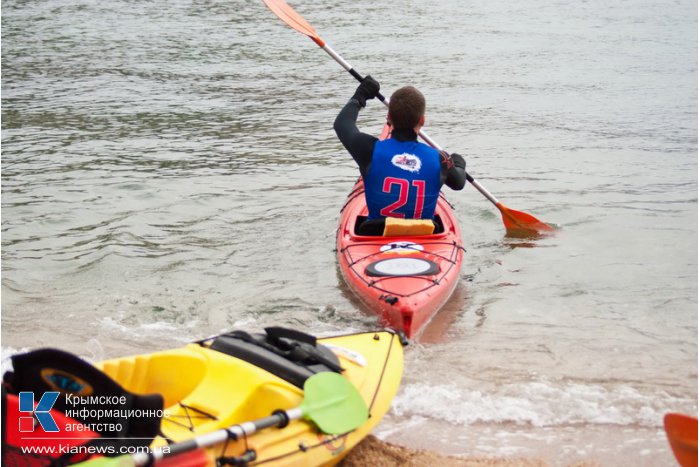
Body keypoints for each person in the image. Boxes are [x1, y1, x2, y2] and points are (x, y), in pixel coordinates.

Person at [334, 76, 467, 235]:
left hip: (375, 234)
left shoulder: (370, 150)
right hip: (424, 236)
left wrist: (360, 96)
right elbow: (459, 182)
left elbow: (342, 124)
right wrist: (458, 162)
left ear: (388, 118)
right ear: (422, 121)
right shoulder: (439, 160)